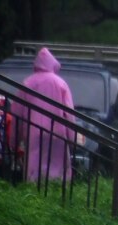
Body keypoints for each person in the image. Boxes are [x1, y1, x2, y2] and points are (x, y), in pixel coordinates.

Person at [12, 47, 75, 182]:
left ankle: (34, 193)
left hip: (33, 132)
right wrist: (72, 137)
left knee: (34, 169)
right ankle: (57, 192)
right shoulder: (60, 83)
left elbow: (17, 113)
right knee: (58, 170)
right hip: (57, 133)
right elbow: (69, 113)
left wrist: (14, 141)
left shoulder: (28, 83)